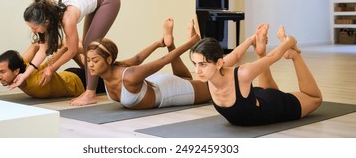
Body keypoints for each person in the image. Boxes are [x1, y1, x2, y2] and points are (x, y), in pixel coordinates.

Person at [189, 23, 323, 126]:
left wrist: (289, 42)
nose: (197, 71)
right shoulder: (210, 73)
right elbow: (235, 55)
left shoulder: (242, 73)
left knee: (315, 98)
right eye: (195, 64)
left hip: (272, 106)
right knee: (266, 90)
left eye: (202, 64)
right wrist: (250, 39)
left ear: (218, 63)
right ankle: (260, 51)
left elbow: (272, 57)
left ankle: (294, 55)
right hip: (257, 97)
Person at [10, 0, 120, 106]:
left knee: (90, 45)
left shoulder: (67, 18)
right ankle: (90, 90)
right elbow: (43, 51)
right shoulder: (47, 15)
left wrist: (51, 68)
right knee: (86, 44)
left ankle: (90, 94)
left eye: (34, 28)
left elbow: (72, 50)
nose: (33, 31)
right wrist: (24, 75)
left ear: (45, 22)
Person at [86, 18, 211, 109]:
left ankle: (192, 44)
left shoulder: (129, 76)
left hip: (167, 90)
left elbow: (163, 61)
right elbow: (138, 58)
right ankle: (170, 43)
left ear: (108, 60)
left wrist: (190, 44)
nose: (90, 64)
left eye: (95, 60)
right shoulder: (115, 67)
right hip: (156, 83)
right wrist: (157, 43)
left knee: (212, 89)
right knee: (186, 79)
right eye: (88, 60)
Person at [0, 43, 105, 99]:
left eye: (2, 72)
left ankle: (99, 54)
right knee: (69, 50)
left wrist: (64, 47)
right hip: (69, 75)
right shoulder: (22, 69)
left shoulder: (37, 83)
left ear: (16, 71)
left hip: (80, 82)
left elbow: (50, 64)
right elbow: (35, 46)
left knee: (107, 74)